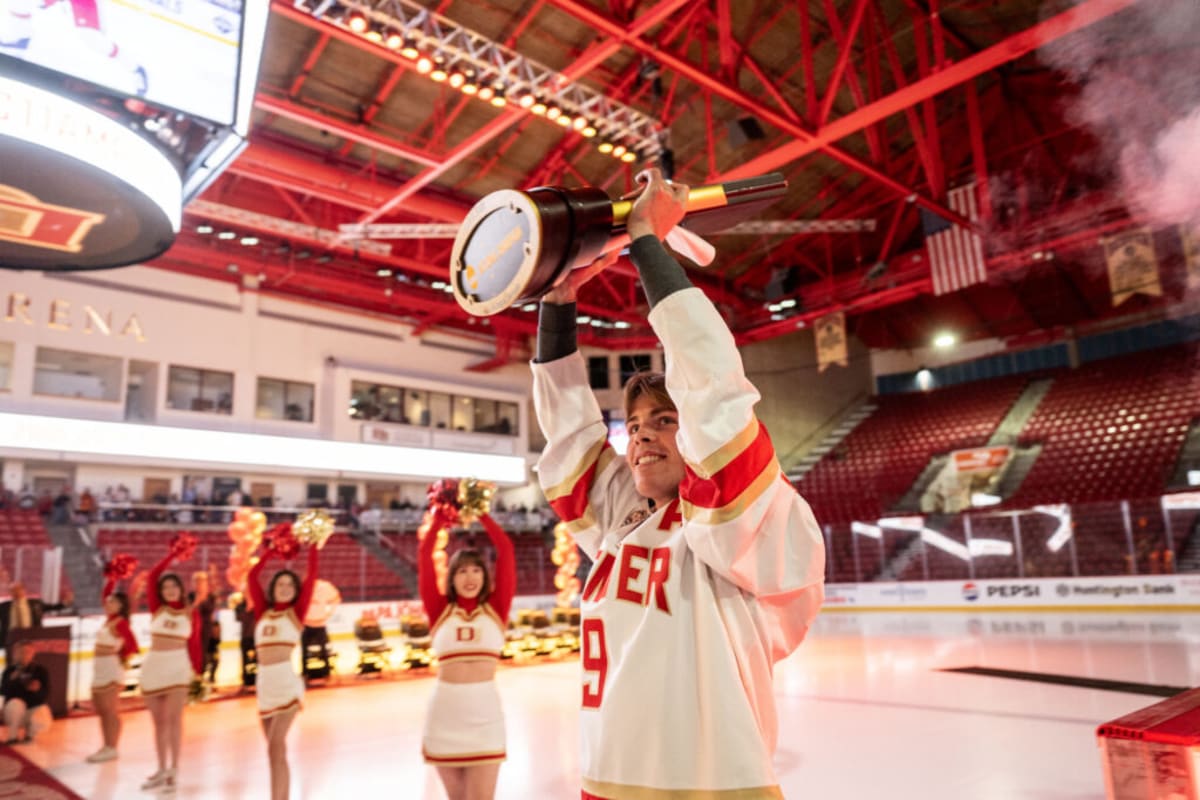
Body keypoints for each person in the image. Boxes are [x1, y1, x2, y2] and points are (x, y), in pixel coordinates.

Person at [531, 169, 826, 800]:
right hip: (605, 784)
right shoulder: (622, 524)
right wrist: (556, 305)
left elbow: (713, 390)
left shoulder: (747, 523)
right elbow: (569, 440)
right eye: (634, 425)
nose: (640, 436)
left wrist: (647, 244)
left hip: (714, 788)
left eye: (664, 421)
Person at [418, 501, 516, 800]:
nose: (470, 577)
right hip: (445, 712)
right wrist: (439, 516)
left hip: (484, 713)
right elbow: (424, 554)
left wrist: (479, 512)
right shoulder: (439, 611)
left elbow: (506, 551)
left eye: (477, 570)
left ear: (486, 577)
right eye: (461, 571)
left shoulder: (497, 608)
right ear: (451, 577)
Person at [246, 533, 319, 800]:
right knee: (275, 753)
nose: (286, 587)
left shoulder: (295, 613)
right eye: (281, 583)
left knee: (275, 747)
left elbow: (311, 576)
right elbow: (252, 577)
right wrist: (271, 551)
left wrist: (313, 547)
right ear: (273, 587)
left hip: (286, 683)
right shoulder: (262, 612)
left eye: (290, 584)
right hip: (264, 685)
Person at [138, 545, 202, 793]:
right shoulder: (157, 608)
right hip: (154, 666)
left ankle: (174, 771)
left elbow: (195, 644)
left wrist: (197, 673)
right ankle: (161, 769)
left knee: (175, 721)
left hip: (177, 667)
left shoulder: (190, 613)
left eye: (174, 586)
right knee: (159, 723)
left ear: (181, 589)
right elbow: (153, 575)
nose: (169, 590)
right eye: (166, 587)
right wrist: (173, 555)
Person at [87, 576, 138, 763]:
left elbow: (133, 645)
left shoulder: (120, 623)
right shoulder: (109, 620)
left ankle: (112, 746)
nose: (108, 603)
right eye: (109, 601)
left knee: (109, 710)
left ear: (121, 606)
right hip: (100, 668)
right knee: (101, 709)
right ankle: (106, 744)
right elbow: (105, 594)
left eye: (113, 602)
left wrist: (119, 654)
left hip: (109, 669)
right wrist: (110, 578)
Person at [0, 641, 51, 744]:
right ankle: (12, 737)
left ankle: (29, 735)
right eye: (21, 652)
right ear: (15, 654)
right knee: (16, 704)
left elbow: (45, 694)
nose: (24, 655)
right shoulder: (9, 671)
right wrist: (12, 680)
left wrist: (37, 690)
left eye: (28, 652)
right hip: (13, 712)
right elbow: (3, 692)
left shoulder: (40, 671)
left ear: (33, 653)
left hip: (31, 708)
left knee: (43, 715)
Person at [0, 582, 46, 664]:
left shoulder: (35, 603)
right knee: (11, 663)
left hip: (31, 638)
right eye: (13, 591)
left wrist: (65, 603)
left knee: (31, 661)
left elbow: (50, 607)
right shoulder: (4, 606)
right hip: (12, 640)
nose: (16, 592)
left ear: (24, 590)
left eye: (18, 590)